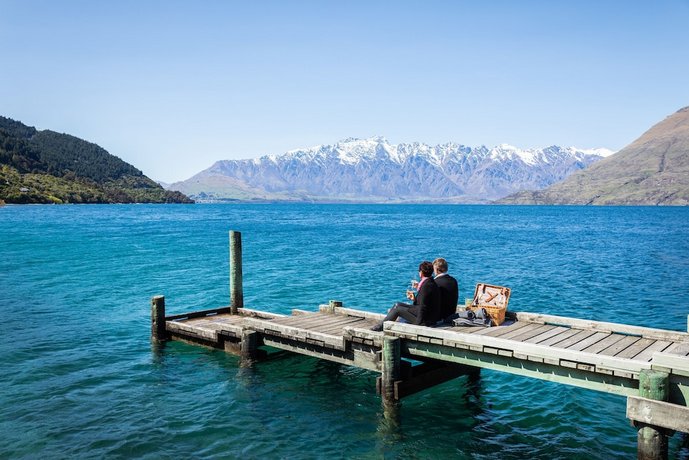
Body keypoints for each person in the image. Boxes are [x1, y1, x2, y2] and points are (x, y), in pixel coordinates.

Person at [371, 261, 441, 331]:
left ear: (421, 273)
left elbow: (423, 306)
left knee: (397, 309)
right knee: (397, 304)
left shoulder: (426, 285)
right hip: (426, 315)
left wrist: (418, 324)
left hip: (425, 321)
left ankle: (381, 326)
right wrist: (414, 298)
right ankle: (385, 323)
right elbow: (424, 301)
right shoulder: (430, 282)